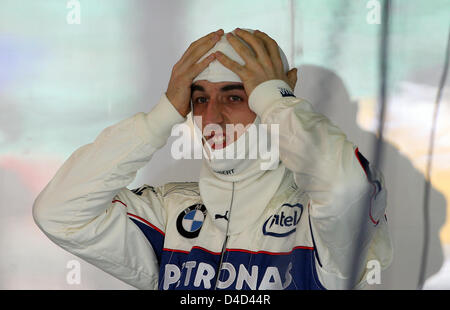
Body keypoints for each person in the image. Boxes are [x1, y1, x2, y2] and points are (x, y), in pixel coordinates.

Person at [32, 28, 392, 290]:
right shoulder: (171, 211)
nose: (212, 118)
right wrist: (161, 117)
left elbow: (346, 188)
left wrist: (274, 99)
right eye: (199, 99)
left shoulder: (319, 216)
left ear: (280, 97)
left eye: (235, 97)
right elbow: (58, 212)